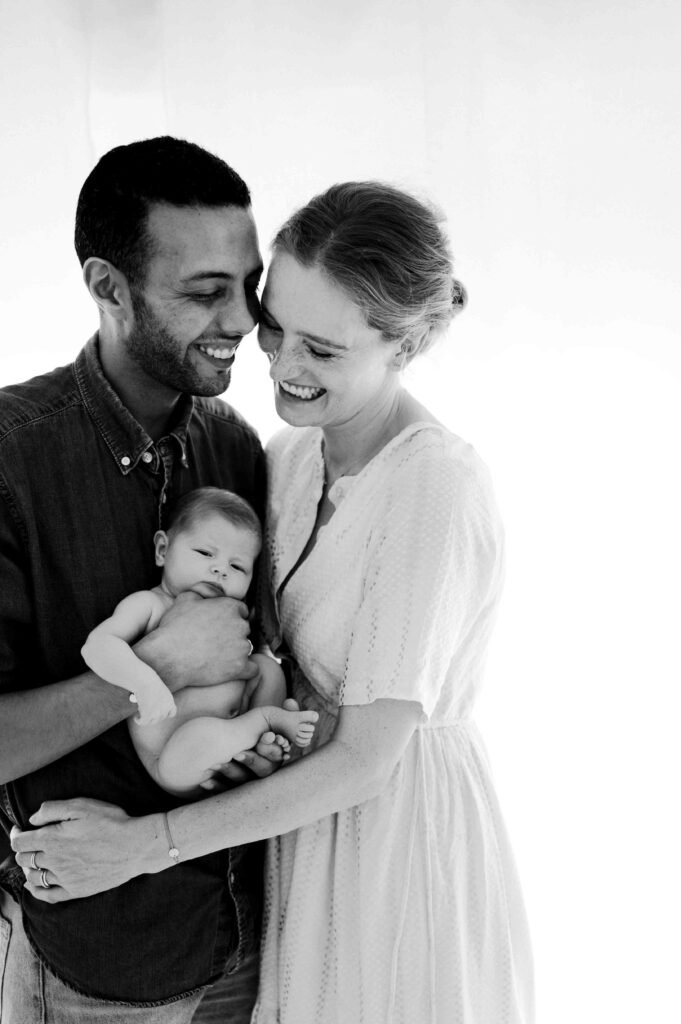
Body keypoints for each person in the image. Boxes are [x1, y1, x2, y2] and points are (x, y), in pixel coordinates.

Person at [12, 182, 535, 1022]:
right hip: (297, 846)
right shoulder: (285, 460)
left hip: (395, 844)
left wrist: (140, 847)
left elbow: (367, 759)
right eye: (275, 327)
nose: (284, 366)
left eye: (322, 351)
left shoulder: (433, 484)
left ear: (403, 346)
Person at [0, 137, 288, 1022]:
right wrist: (151, 670)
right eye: (204, 292)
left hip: (247, 936)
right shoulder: (13, 459)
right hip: (98, 963)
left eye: (248, 285)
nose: (241, 319)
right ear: (108, 288)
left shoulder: (237, 448)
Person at [82, 485, 317, 796]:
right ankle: (265, 721)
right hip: (177, 760)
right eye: (205, 553)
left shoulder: (234, 615)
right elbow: (98, 645)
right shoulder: (152, 605)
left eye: (237, 566)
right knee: (199, 735)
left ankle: (264, 738)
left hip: (233, 746)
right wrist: (145, 684)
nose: (220, 569)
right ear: (163, 550)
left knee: (266, 668)